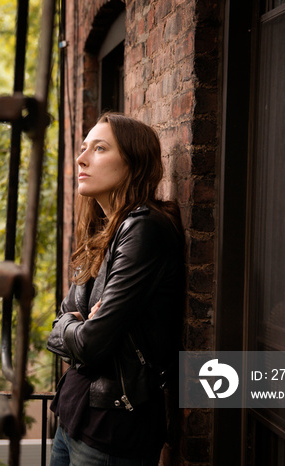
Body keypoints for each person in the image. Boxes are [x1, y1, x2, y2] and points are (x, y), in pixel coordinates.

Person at [47, 112, 185, 465]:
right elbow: (59, 323)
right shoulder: (103, 230)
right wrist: (73, 324)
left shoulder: (145, 230)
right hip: (72, 419)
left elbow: (92, 345)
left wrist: (75, 327)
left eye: (100, 148)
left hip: (112, 429)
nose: (82, 158)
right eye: (83, 148)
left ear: (133, 163)